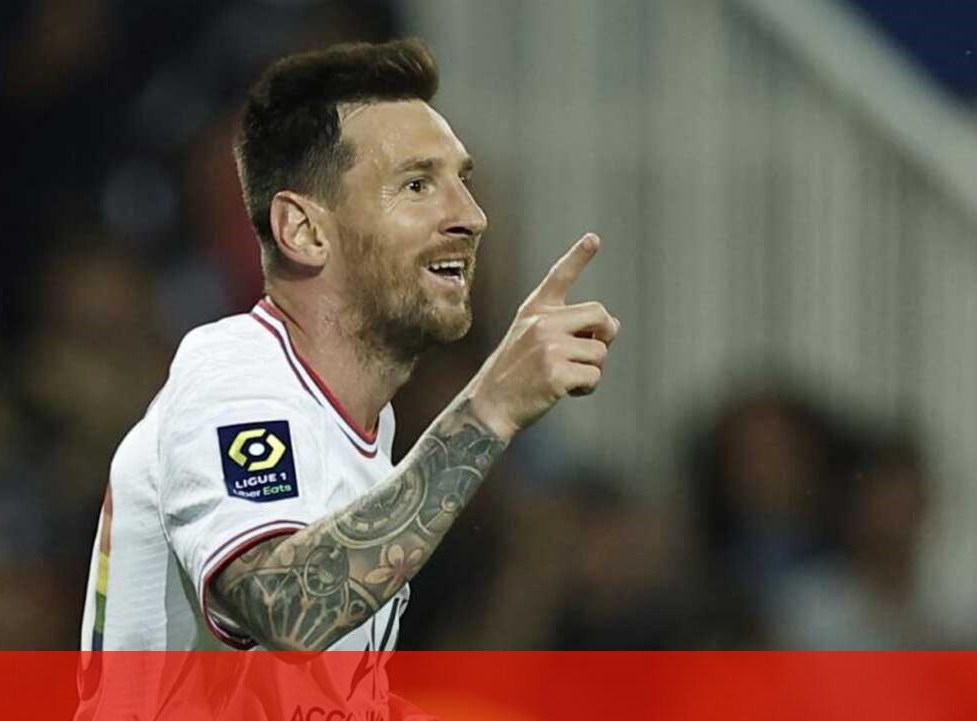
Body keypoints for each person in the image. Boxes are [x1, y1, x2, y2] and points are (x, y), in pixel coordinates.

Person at [77, 39, 618, 717]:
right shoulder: (233, 374)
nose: (470, 216)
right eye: (417, 185)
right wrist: (487, 408)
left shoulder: (360, 429)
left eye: (462, 181)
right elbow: (286, 607)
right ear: (303, 230)